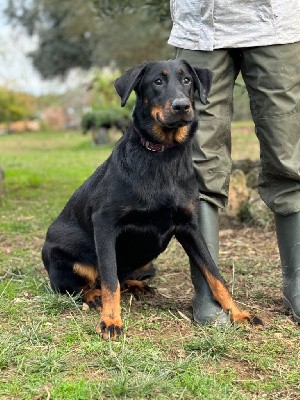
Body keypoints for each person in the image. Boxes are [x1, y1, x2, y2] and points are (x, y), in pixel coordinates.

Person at [168, 1, 300, 324]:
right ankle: (207, 289)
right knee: (199, 160)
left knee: (287, 150)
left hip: (276, 21)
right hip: (200, 21)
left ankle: (296, 279)